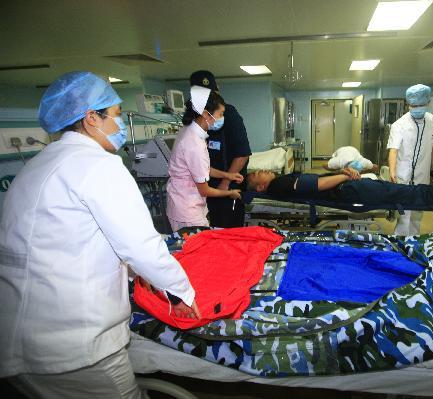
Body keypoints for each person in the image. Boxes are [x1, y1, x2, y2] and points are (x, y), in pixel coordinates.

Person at [0, 72, 200, 398]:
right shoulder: (99, 166)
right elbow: (142, 245)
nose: (119, 126)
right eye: (117, 115)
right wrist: (181, 294)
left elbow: (73, 236)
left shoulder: (35, 166)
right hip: (73, 346)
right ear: (92, 118)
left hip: (18, 333)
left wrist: (135, 272)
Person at [166, 86, 242, 232]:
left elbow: (201, 169)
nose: (221, 119)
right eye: (220, 114)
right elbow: (204, 190)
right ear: (206, 115)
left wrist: (228, 175)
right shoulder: (194, 143)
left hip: (184, 203)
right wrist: (229, 193)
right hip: (187, 212)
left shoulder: (188, 131)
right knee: (196, 252)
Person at [190, 70, 252, 228]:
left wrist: (225, 182)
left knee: (229, 232)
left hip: (227, 187)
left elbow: (242, 153)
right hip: (207, 187)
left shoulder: (229, 114)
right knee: (215, 230)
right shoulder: (195, 122)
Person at [246, 169, 433, 209]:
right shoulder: (279, 184)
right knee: (413, 193)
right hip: (350, 192)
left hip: (348, 188)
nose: (263, 170)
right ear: (261, 185)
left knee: (413, 192)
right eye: (259, 174)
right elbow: (317, 185)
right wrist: (343, 175)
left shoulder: (279, 183)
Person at [387, 84, 433, 235]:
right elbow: (393, 149)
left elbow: (432, 147)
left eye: (420, 105)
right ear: (408, 104)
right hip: (403, 175)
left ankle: (414, 242)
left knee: (417, 214)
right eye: (414, 105)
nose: (417, 108)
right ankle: (401, 242)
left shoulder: (432, 121)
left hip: (422, 175)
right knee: (404, 215)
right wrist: (392, 171)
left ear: (428, 103)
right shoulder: (400, 124)